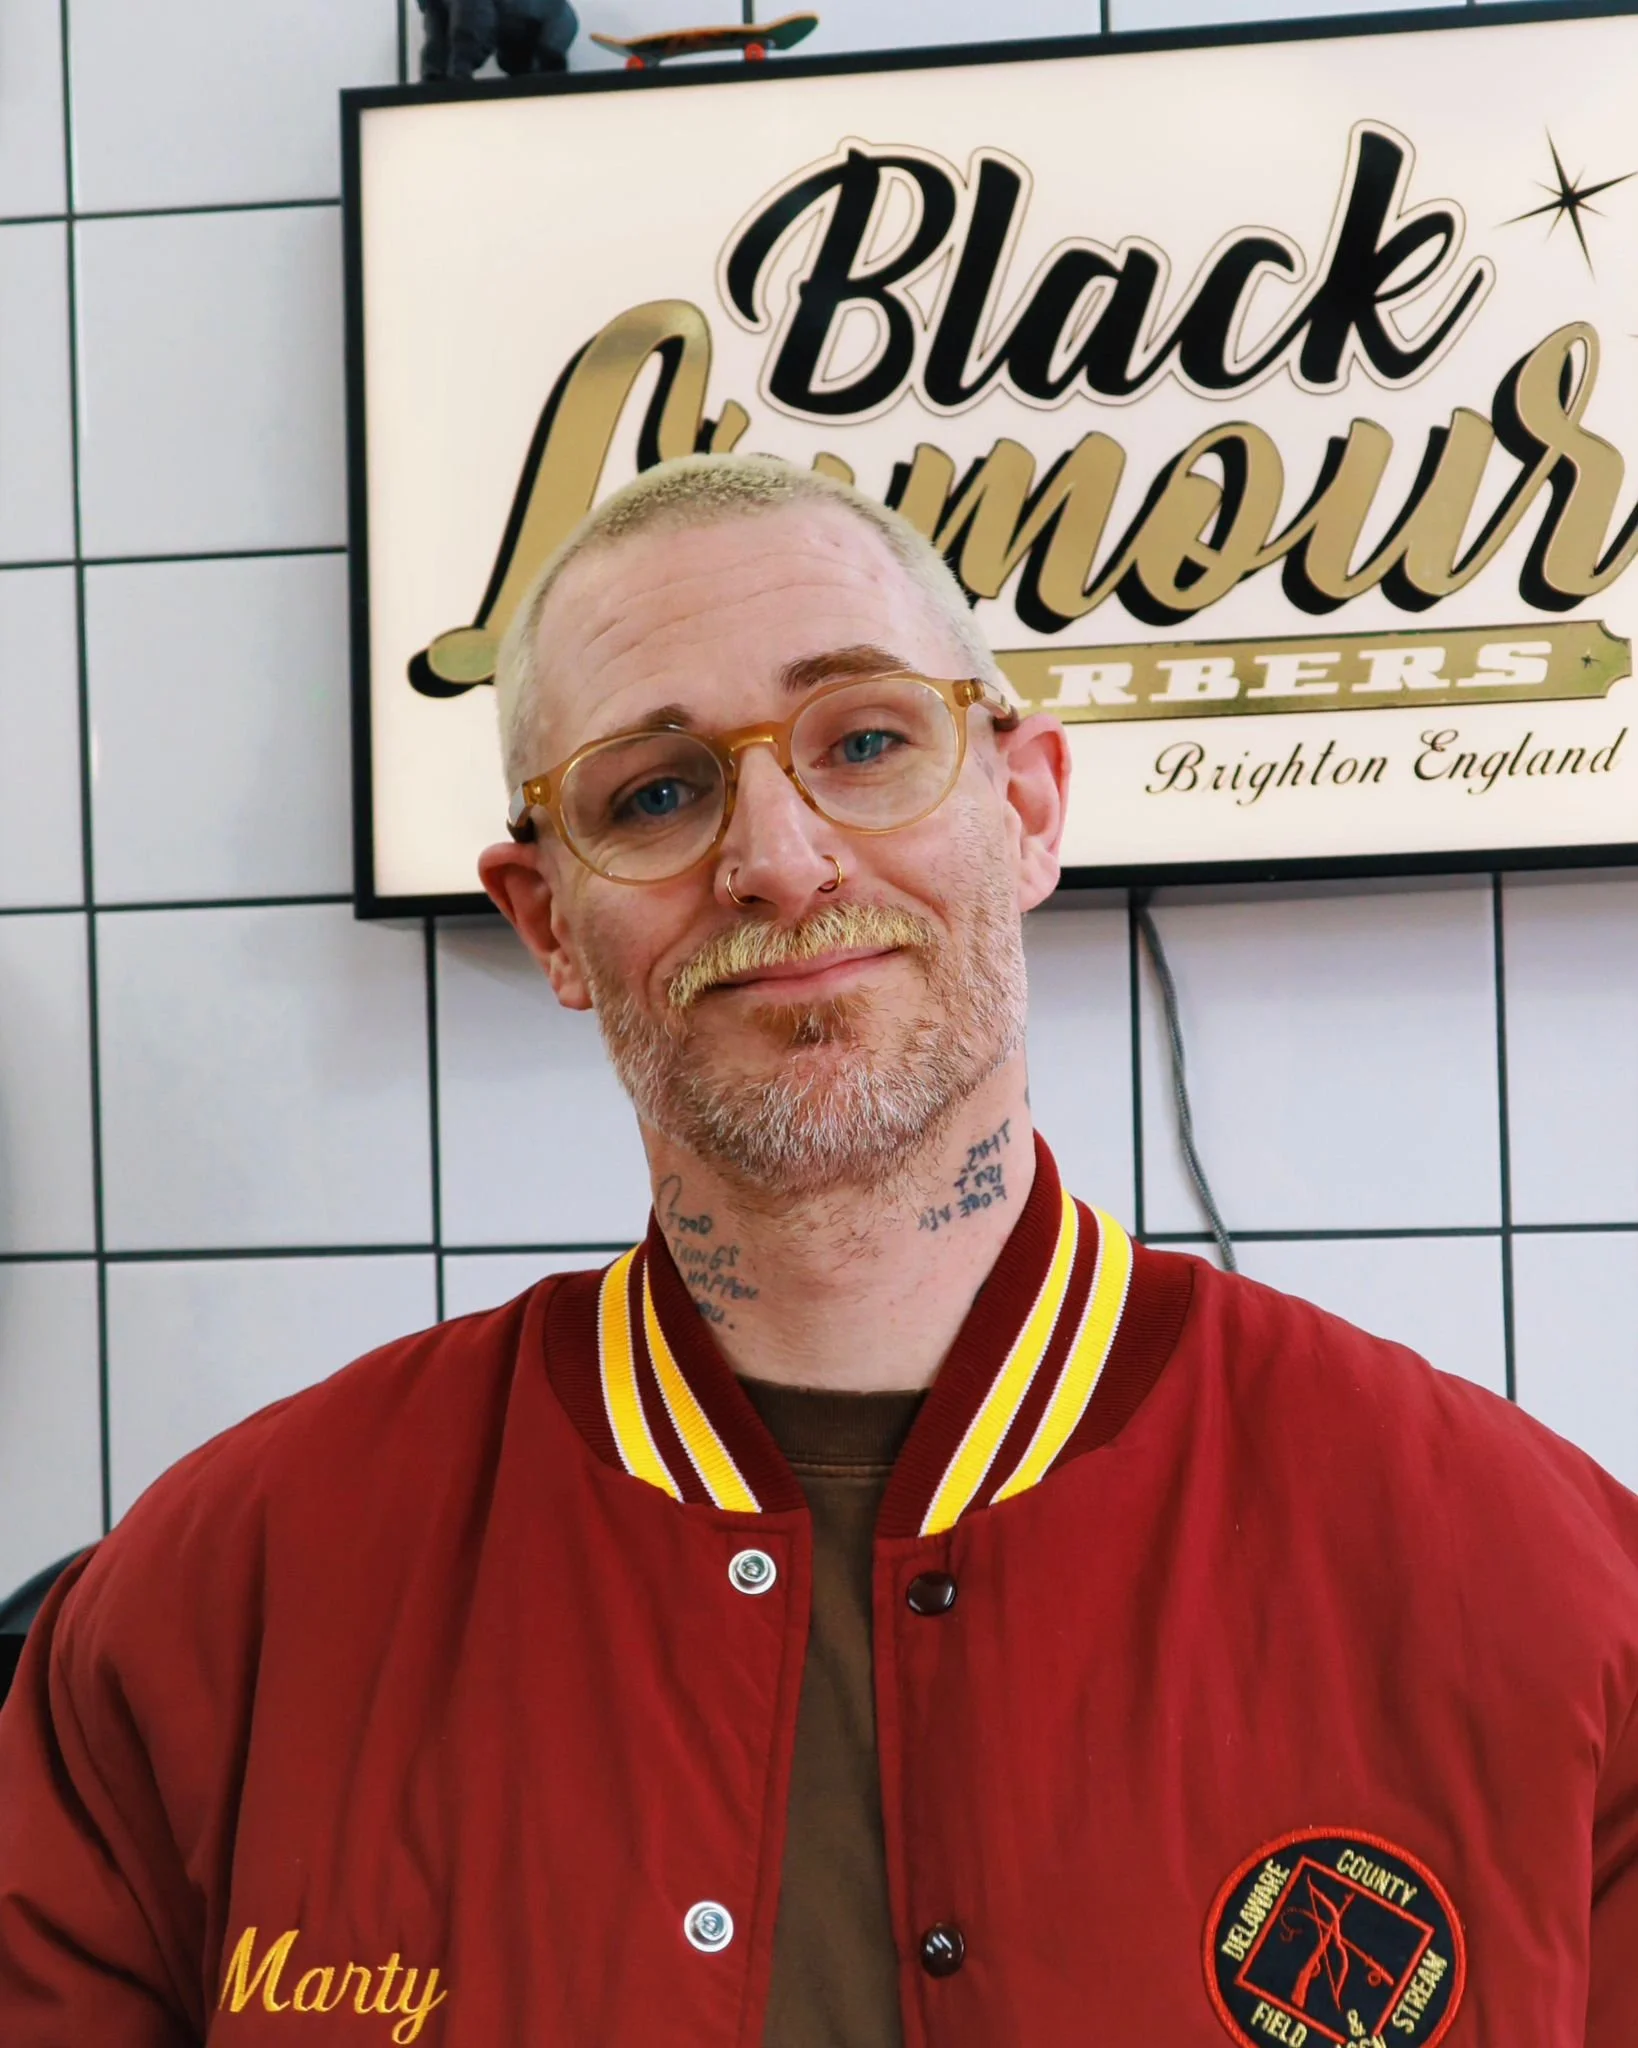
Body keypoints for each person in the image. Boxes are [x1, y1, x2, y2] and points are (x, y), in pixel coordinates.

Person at [1, 454, 1635, 2048]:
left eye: (863, 741)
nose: (777, 859)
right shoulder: (219, 1607)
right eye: (655, 792)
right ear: (549, 920)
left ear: (1028, 808)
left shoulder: (1539, 1587)